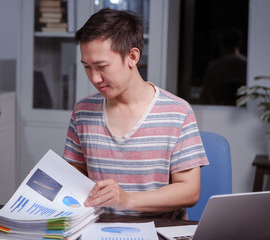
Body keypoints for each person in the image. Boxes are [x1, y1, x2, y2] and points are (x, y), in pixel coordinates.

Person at [63, 8, 209, 219]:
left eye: (101, 66)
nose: (94, 78)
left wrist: (127, 200)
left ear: (132, 56)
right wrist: (53, 179)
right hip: (98, 227)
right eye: (87, 67)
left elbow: (189, 191)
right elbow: (76, 172)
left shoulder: (178, 112)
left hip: (159, 229)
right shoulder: (82, 111)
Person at [200, 27, 247, 105]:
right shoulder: (248, 66)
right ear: (240, 43)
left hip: (217, 109)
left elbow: (205, 96)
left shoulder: (215, 67)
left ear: (221, 44)